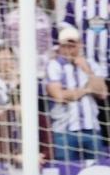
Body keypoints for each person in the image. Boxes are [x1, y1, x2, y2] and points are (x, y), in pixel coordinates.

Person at [44, 27, 107, 162]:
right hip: (65, 131)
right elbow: (59, 96)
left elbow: (102, 93)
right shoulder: (54, 65)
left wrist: (87, 70)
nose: (68, 50)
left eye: (72, 46)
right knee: (66, 172)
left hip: (91, 129)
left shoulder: (90, 64)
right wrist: (86, 90)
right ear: (60, 46)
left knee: (96, 170)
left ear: (79, 45)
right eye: (65, 46)